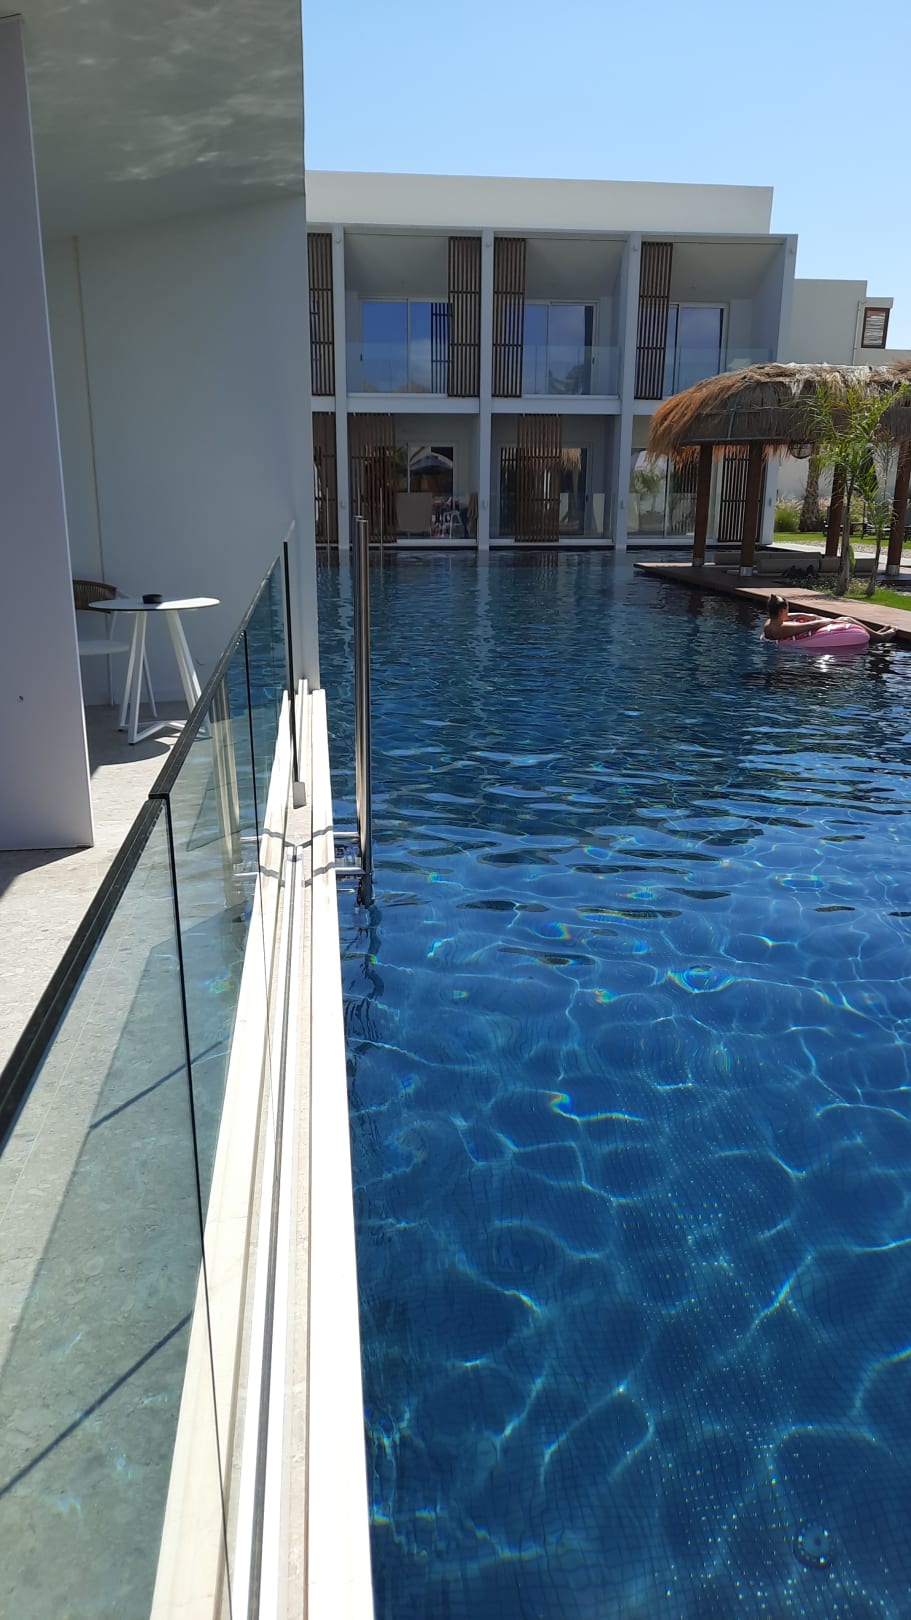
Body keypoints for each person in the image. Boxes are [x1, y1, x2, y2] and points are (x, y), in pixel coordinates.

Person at [763, 594, 895, 643]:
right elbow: (812, 626)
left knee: (842, 619)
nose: (789, 612)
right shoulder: (783, 628)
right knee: (846, 619)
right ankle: (880, 637)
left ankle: (876, 633)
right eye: (787, 609)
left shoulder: (769, 623)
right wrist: (831, 621)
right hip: (807, 642)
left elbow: (789, 617)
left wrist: (806, 615)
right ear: (782, 611)